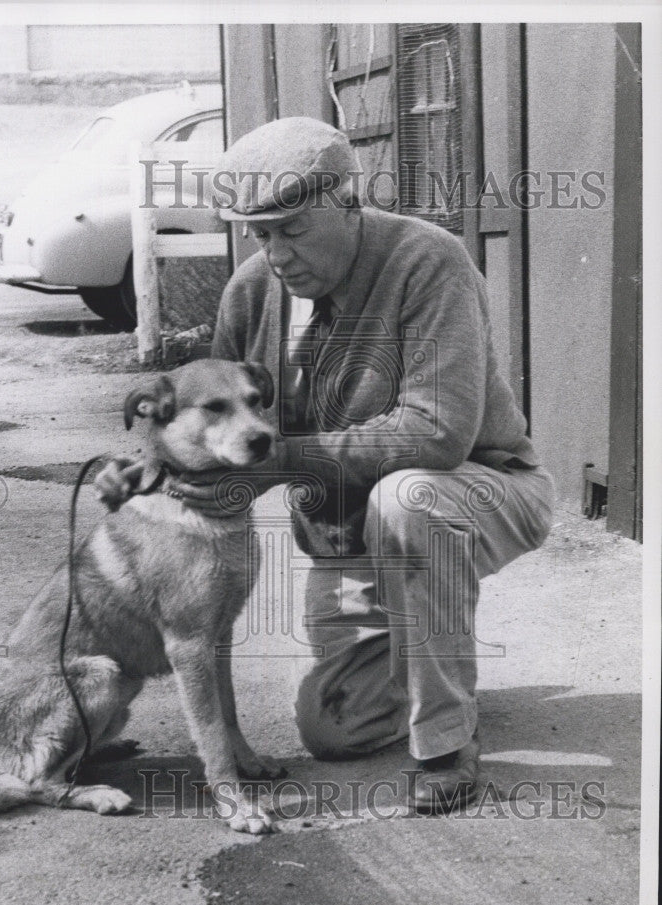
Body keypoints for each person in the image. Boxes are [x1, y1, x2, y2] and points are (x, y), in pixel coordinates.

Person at [96, 116, 554, 813]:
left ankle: (447, 740)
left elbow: (436, 435)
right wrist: (147, 469)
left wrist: (281, 458)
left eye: (293, 228)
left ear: (348, 201)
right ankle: (430, 656)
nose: (276, 253)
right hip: (344, 533)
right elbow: (212, 416)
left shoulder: (428, 262)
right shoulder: (251, 292)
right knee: (332, 729)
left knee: (408, 498)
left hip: (481, 490)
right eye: (260, 234)